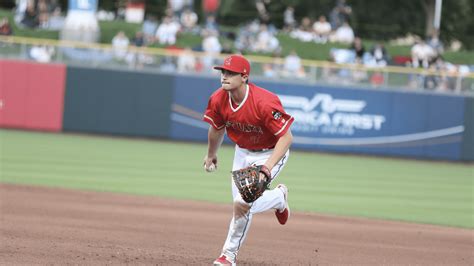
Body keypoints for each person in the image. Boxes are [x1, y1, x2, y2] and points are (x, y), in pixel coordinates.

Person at [202, 55, 293, 265]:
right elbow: (216, 129)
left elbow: (286, 137)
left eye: (230, 73)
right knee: (241, 206)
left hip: (269, 153)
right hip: (242, 152)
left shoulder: (263, 101)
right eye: (223, 72)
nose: (224, 76)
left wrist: (267, 167)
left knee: (242, 202)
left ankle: (228, 255)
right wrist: (211, 154)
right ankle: (279, 197)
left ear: (244, 77)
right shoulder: (218, 99)